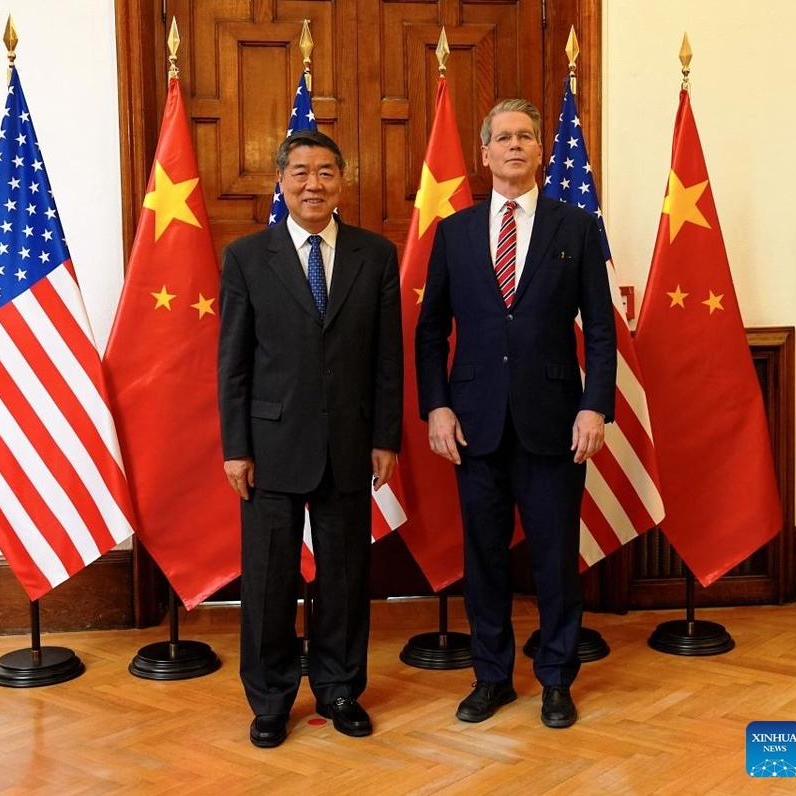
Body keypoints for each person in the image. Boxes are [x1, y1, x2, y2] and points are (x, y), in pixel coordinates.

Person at [414, 99, 616, 729]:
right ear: (484, 153)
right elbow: (429, 334)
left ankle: (556, 680)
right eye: (502, 137)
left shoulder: (576, 228)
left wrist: (595, 408)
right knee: (486, 559)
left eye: (525, 136)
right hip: (472, 423)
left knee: (556, 559)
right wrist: (437, 407)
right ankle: (492, 677)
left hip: (555, 420)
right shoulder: (453, 232)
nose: (514, 146)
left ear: (540, 151)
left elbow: (603, 333)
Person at [217, 129, 403, 748]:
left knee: (345, 577)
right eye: (300, 172)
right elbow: (234, 363)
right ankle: (270, 700)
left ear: (341, 181)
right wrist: (235, 448)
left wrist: (386, 437)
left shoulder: (374, 256)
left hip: (351, 443)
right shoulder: (247, 257)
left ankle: (341, 689)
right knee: (268, 579)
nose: (312, 184)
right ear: (280, 181)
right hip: (269, 447)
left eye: (325, 172)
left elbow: (386, 360)